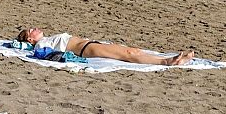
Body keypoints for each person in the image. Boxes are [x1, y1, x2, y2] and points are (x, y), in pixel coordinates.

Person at [17, 28, 197, 66]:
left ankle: (170, 59)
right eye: (31, 31)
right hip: (86, 49)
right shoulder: (40, 44)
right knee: (128, 54)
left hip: (91, 44)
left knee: (133, 51)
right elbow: (43, 54)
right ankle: (168, 62)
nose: (35, 29)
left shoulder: (46, 39)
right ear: (30, 39)